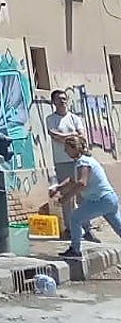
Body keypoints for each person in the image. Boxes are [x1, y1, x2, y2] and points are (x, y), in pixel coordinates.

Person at [52, 136, 121, 258]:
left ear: (74, 148)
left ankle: (75, 250)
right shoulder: (86, 161)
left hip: (100, 199)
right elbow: (73, 180)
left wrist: (65, 198)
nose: (65, 151)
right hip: (110, 199)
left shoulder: (83, 162)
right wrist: (58, 188)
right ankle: (75, 249)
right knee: (118, 227)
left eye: (66, 148)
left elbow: (81, 183)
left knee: (75, 219)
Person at [46, 89, 98, 242]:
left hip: (78, 160)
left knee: (82, 194)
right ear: (54, 102)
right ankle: (70, 228)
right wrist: (72, 137)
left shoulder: (74, 118)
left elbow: (82, 137)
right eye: (58, 99)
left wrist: (69, 137)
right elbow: (54, 136)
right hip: (62, 161)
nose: (62, 101)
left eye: (64, 99)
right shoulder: (51, 119)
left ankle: (88, 229)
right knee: (67, 196)